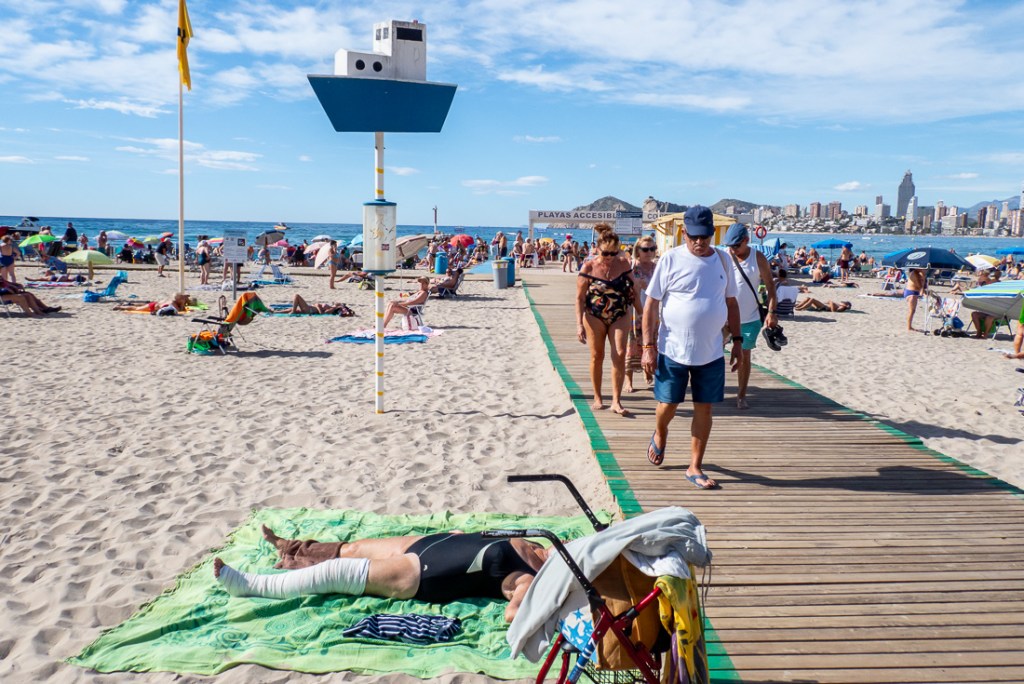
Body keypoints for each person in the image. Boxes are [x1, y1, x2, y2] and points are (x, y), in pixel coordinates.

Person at [213, 524, 550, 622]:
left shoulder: (528, 577)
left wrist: (536, 600)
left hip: (425, 572)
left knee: (337, 572)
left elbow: (513, 614)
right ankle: (293, 551)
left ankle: (251, 585)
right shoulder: (538, 542)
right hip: (433, 543)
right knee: (353, 548)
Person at [641, 206, 741, 490]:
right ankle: (660, 432)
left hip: (711, 351)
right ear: (684, 233)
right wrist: (648, 346)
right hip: (672, 348)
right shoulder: (671, 259)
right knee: (668, 405)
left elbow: (731, 302)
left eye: (705, 237)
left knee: (704, 407)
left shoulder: (723, 261)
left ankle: (694, 466)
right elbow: (651, 304)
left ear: (713, 234)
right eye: (694, 237)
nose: (700, 242)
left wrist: (737, 341)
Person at [576, 225, 642, 416]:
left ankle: (616, 400)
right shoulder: (588, 267)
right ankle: (597, 396)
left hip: (620, 313)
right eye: (606, 253)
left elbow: (633, 291)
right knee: (597, 356)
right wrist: (579, 324)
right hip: (594, 315)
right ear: (597, 249)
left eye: (614, 253)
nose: (610, 257)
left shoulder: (623, 264)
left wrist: (642, 313)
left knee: (620, 353)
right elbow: (580, 298)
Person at [724, 223, 778, 410]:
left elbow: (771, 286)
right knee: (712, 354)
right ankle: (713, 390)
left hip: (749, 317)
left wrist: (772, 312)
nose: (732, 249)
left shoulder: (758, 258)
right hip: (723, 318)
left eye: (736, 245)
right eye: (730, 246)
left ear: (746, 241)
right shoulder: (724, 257)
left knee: (745, 356)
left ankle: (741, 395)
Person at [625, 236, 657, 393]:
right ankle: (628, 380)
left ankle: (648, 371)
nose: (649, 252)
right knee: (631, 346)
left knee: (651, 343)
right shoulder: (631, 269)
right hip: (633, 313)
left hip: (652, 313)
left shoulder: (657, 268)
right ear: (637, 251)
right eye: (645, 249)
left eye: (652, 248)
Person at [114, 292, 192, 315]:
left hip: (155, 304)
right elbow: (178, 311)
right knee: (136, 308)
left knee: (140, 306)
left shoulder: (172, 300)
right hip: (153, 306)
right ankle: (120, 307)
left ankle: (126, 305)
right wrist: (182, 304)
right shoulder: (173, 303)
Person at [276, 294, 351, 315]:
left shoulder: (331, 309)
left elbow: (323, 313)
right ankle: (274, 312)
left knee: (297, 296)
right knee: (291, 309)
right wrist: (317, 305)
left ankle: (293, 312)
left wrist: (317, 306)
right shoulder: (331, 307)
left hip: (310, 310)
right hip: (309, 308)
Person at [905, 268, 927, 332]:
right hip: (911, 293)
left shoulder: (918, 273)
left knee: (912, 311)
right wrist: (923, 277)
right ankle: (909, 327)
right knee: (911, 311)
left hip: (914, 292)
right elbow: (919, 286)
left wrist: (923, 276)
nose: (923, 269)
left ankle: (909, 326)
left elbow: (923, 286)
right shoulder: (914, 274)